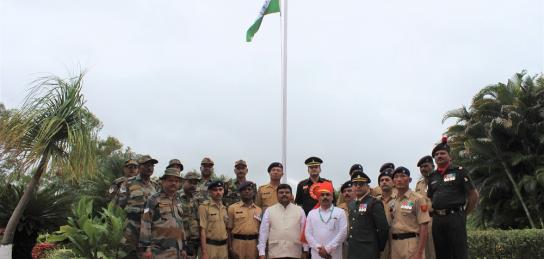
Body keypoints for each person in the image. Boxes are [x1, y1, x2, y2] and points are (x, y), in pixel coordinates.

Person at [427, 136, 479, 259]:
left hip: (455, 217)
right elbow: (429, 197)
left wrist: (464, 214)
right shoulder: (432, 176)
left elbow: (473, 195)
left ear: (450, 157)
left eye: (442, 153)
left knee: (458, 252)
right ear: (434, 159)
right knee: (441, 252)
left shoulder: (459, 171)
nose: (439, 156)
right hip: (437, 219)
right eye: (437, 154)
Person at [116, 155, 160, 258]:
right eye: (146, 165)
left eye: (152, 165)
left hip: (149, 232)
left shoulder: (156, 186)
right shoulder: (128, 183)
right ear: (139, 167)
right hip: (130, 230)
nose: (150, 168)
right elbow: (119, 206)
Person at [141, 168, 187, 259]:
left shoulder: (179, 200)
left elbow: (181, 225)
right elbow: (145, 224)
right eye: (170, 180)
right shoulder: (153, 200)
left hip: (177, 251)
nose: (174, 183)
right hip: (160, 252)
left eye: (176, 181)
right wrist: (146, 248)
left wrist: (184, 247)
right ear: (163, 181)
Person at [258, 184, 309, 259]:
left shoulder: (299, 210)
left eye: (287, 192)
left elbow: (304, 232)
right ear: (277, 195)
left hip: (294, 253)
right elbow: (263, 233)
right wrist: (261, 252)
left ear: (291, 195)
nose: (284, 194)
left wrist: (305, 250)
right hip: (275, 253)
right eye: (281, 192)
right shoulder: (269, 210)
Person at [389, 166, 431, 259]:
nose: (399, 179)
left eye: (403, 176)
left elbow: (424, 226)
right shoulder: (393, 201)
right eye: (396, 177)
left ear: (410, 179)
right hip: (395, 245)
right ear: (393, 181)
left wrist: (419, 253)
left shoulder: (418, 199)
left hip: (411, 244)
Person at [347, 169, 389, 259]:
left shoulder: (374, 202)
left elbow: (383, 228)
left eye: (361, 184)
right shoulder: (352, 204)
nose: (358, 186)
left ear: (367, 186)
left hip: (368, 251)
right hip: (353, 250)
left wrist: (378, 247)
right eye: (355, 184)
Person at [305, 182, 348, 259]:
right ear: (318, 197)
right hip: (317, 254)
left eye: (328, 194)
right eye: (322, 195)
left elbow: (343, 233)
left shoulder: (340, 212)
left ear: (332, 197)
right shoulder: (312, 213)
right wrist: (318, 248)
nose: (325, 197)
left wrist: (328, 249)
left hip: (334, 254)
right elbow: (308, 233)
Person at [227, 181, 262, 259]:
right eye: (244, 189)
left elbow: (260, 231)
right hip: (238, 243)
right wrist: (230, 248)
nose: (247, 191)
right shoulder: (232, 208)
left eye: (249, 189)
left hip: (253, 244)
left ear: (253, 192)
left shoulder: (259, 210)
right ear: (240, 192)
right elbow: (229, 230)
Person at [199, 181, 229, 259]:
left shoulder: (224, 208)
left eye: (220, 189)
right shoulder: (204, 207)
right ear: (210, 192)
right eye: (215, 190)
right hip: (210, 247)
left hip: (223, 248)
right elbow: (202, 230)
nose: (218, 192)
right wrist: (204, 252)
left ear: (223, 191)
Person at [416, 155, 436, 259]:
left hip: (437, 219)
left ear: (433, 166)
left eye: (426, 166)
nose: (423, 169)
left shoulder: (439, 179)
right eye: (421, 167)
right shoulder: (419, 184)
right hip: (424, 222)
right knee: (426, 251)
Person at [179, 171, 202, 259]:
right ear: (183, 182)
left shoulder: (197, 199)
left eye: (195, 183)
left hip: (195, 241)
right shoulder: (176, 197)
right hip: (181, 241)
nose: (193, 185)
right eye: (190, 182)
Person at [375, 168, 395, 259]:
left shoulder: (400, 199)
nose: (384, 182)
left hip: (396, 235)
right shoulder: (374, 201)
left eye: (387, 180)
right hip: (380, 236)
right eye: (382, 180)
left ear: (393, 183)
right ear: (379, 184)